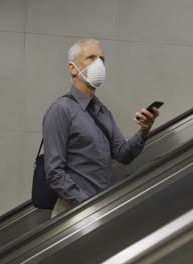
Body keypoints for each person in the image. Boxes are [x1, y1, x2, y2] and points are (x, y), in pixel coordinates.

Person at [43, 39, 160, 218]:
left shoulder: (102, 112)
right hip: (74, 212)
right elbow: (54, 173)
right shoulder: (61, 110)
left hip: (101, 209)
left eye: (102, 59)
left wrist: (144, 130)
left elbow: (123, 154)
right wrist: (87, 207)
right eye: (91, 58)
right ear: (73, 68)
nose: (99, 64)